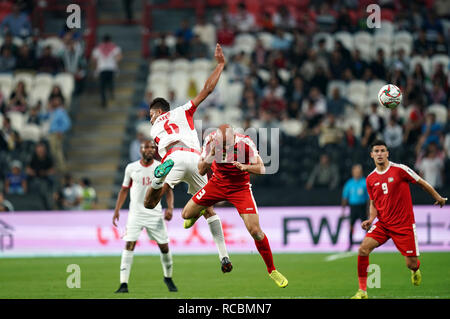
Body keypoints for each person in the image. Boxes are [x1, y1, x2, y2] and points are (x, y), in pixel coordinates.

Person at [143, 44, 232, 273]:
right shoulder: (184, 110)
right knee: (209, 209)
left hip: (173, 157)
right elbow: (207, 89)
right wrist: (220, 64)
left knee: (150, 202)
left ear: (159, 112)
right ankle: (224, 257)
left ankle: (157, 180)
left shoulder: (154, 130)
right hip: (196, 160)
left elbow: (160, 145)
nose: (150, 118)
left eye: (151, 114)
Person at [181, 124, 288, 288]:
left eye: (227, 145)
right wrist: (211, 154)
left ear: (234, 138)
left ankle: (272, 270)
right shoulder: (210, 142)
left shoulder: (245, 143)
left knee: (256, 232)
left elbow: (261, 168)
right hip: (216, 184)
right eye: (221, 145)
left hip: (240, 189)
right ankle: (202, 209)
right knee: (185, 215)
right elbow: (201, 171)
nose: (224, 148)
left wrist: (246, 167)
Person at [351, 140, 447, 299]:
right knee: (363, 249)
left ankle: (415, 270)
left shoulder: (399, 170)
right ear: (372, 154)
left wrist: (438, 197)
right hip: (383, 224)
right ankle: (362, 291)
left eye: (383, 150)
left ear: (387, 153)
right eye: (376, 151)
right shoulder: (370, 179)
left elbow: (421, 182)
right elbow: (374, 202)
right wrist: (371, 219)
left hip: (404, 225)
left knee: (411, 263)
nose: (380, 154)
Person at [113, 140, 177, 293]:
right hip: (135, 214)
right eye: (146, 147)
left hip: (155, 214)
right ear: (140, 150)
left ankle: (167, 277)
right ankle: (123, 284)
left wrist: (170, 207)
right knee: (129, 245)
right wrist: (117, 210)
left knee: (164, 246)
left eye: (151, 147)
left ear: (154, 150)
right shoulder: (131, 168)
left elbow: (168, 190)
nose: (149, 150)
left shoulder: (159, 167)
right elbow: (123, 190)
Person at [341, 164, 369, 252]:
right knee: (351, 226)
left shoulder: (365, 182)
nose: (356, 173)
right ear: (352, 173)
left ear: (361, 172)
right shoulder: (349, 183)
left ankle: (368, 244)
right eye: (355, 171)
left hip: (362, 207)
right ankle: (350, 244)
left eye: (358, 171)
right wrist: (343, 209)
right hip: (353, 207)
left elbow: (369, 198)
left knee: (366, 226)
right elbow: (345, 197)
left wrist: (369, 209)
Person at [92, 35, 122, 107]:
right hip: (111, 68)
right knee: (110, 82)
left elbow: (94, 59)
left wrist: (96, 68)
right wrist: (115, 63)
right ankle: (111, 93)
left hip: (102, 69)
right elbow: (119, 57)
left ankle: (103, 101)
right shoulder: (114, 47)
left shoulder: (98, 48)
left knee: (102, 86)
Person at [48, 96, 71, 172]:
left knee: (57, 150)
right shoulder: (53, 112)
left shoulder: (61, 111)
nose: (54, 102)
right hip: (52, 133)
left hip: (56, 133)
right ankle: (58, 166)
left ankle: (62, 167)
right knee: (53, 150)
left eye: (56, 101)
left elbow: (67, 123)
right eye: (54, 100)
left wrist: (60, 130)